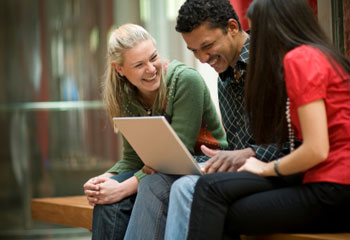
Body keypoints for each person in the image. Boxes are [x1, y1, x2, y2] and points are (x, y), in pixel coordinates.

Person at [124, 0, 290, 239]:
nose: (202, 58)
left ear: (233, 27)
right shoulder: (226, 73)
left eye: (207, 46)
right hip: (242, 169)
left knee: (182, 188)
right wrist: (187, 162)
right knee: (155, 180)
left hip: (278, 171)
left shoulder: (271, 62)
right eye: (193, 51)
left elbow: (292, 142)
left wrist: (249, 153)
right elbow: (235, 148)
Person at [185, 0, 350, 239]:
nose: (255, 43)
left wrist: (265, 167)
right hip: (330, 181)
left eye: (257, 33)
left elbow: (317, 149)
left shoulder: (299, 60)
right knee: (216, 196)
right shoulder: (323, 55)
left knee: (220, 204)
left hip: (335, 186)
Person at [82, 23, 228, 239]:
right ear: (119, 69)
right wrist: (104, 180)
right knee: (107, 203)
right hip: (159, 169)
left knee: (147, 185)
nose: (151, 69)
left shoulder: (185, 81)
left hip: (202, 165)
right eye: (139, 64)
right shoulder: (126, 95)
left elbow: (177, 156)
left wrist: (124, 187)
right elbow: (132, 158)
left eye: (153, 57)